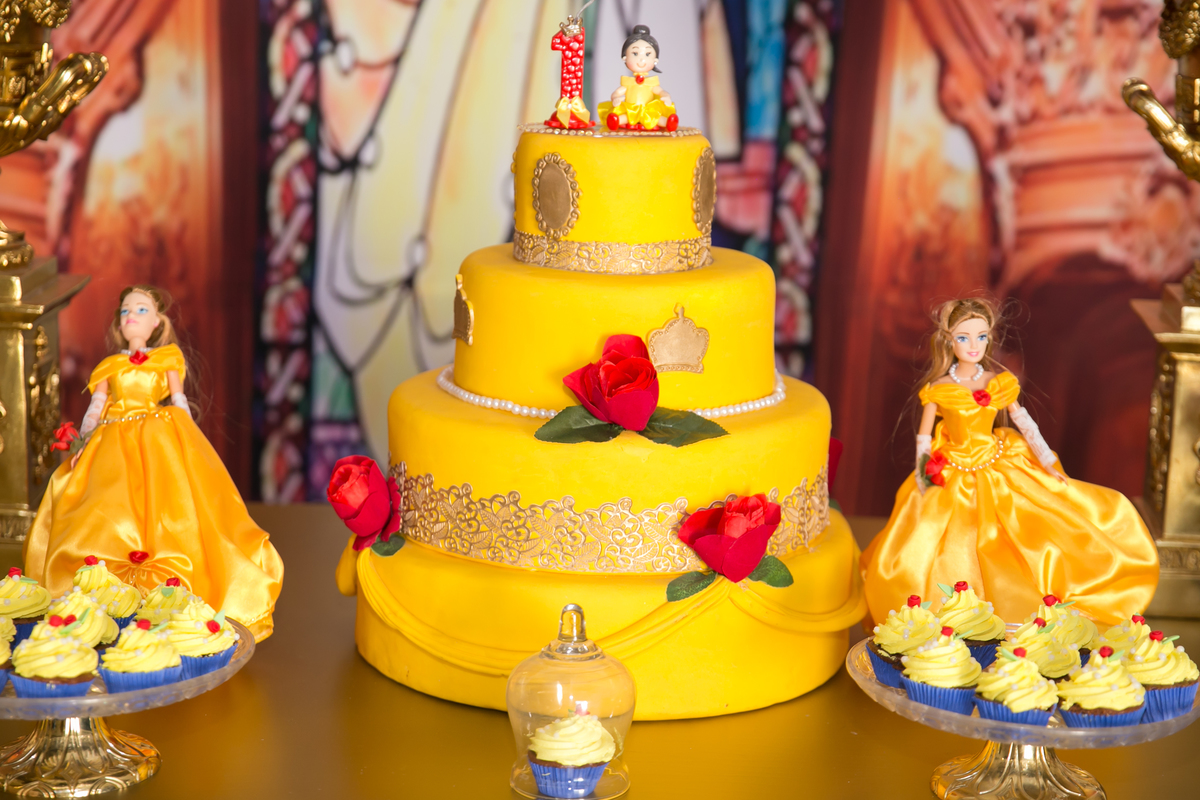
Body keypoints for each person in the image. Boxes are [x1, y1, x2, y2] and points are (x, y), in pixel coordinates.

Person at [861, 297, 1158, 625]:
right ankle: (958, 616)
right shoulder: (939, 390)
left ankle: (1020, 607)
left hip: (998, 460)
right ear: (949, 340)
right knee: (942, 538)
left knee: (1022, 532)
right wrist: (922, 475)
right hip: (952, 469)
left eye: (981, 336)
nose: (974, 345)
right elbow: (923, 438)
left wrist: (1046, 460)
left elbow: (1025, 423)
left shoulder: (998, 382)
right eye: (964, 338)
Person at [24, 286, 283, 641]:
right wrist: (83, 440)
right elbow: (96, 406)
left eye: (141, 309)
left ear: (158, 322)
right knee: (106, 501)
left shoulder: (167, 359)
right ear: (119, 323)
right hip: (114, 436)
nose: (131, 315)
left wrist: (192, 440)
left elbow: (179, 400)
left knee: (171, 503)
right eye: (125, 310)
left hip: (159, 434)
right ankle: (103, 598)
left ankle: (174, 594)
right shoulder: (110, 366)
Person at [598, 25, 678, 132]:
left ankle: (669, 123)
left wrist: (666, 96)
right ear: (625, 58)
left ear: (655, 60)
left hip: (647, 111)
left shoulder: (651, 83)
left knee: (655, 118)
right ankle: (615, 121)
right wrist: (615, 98)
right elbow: (616, 93)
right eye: (635, 53)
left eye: (647, 54)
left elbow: (660, 91)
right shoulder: (628, 83)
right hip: (632, 110)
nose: (641, 59)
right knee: (626, 116)